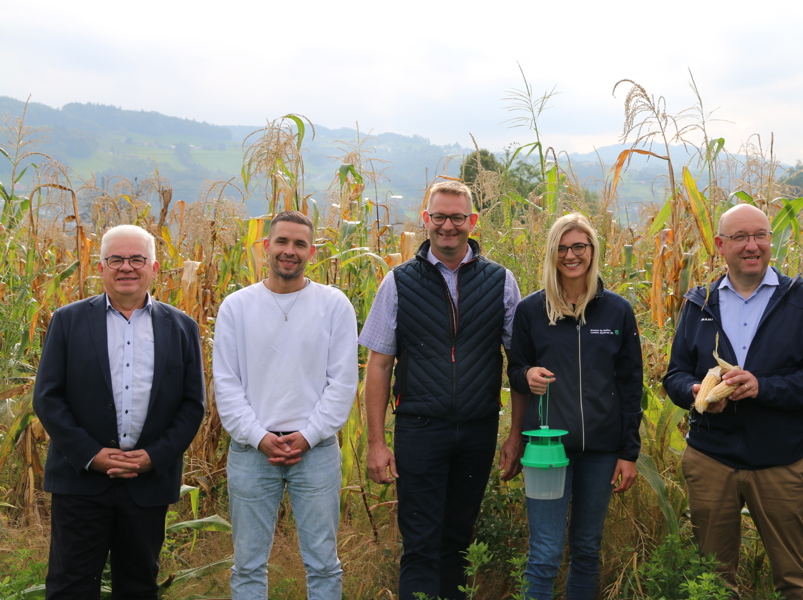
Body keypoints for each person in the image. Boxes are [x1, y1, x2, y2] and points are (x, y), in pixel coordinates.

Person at [662, 203, 803, 600]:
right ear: (720, 245)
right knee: (712, 578)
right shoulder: (700, 302)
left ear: (770, 241)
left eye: (760, 235)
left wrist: (763, 387)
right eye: (741, 237)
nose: (752, 246)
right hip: (711, 459)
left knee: (794, 578)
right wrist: (698, 393)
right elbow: (674, 375)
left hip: (779, 460)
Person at [360, 181, 522, 600]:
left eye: (456, 217)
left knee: (458, 540)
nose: (447, 226)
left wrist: (516, 434)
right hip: (419, 428)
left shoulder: (501, 282)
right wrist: (376, 443)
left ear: (472, 221)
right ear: (425, 219)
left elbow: (518, 365)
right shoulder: (397, 282)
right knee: (420, 543)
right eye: (439, 216)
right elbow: (378, 365)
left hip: (477, 428)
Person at [32, 224, 206, 599]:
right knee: (70, 585)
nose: (126, 267)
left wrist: (153, 457)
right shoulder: (68, 321)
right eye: (116, 259)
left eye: (137, 259)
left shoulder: (182, 328)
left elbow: (193, 405)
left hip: (147, 484)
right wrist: (91, 454)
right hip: (80, 480)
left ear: (154, 268)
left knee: (139, 585)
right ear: (101, 267)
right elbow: (48, 397)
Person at [213, 210, 358, 600]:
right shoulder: (237, 307)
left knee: (324, 565)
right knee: (247, 567)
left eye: (299, 244)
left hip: (316, 452)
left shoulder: (333, 305)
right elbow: (226, 384)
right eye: (281, 242)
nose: (289, 251)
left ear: (312, 251)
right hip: (250, 452)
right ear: (266, 246)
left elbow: (342, 382)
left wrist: (308, 436)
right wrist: (258, 436)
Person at [505, 213, 643, 599]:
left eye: (579, 247)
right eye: (562, 248)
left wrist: (628, 452)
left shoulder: (617, 311)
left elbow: (632, 386)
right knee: (545, 553)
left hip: (601, 452)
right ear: (552, 253)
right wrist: (527, 374)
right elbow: (515, 370)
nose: (570, 255)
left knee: (586, 550)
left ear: (592, 251)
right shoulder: (532, 310)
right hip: (546, 453)